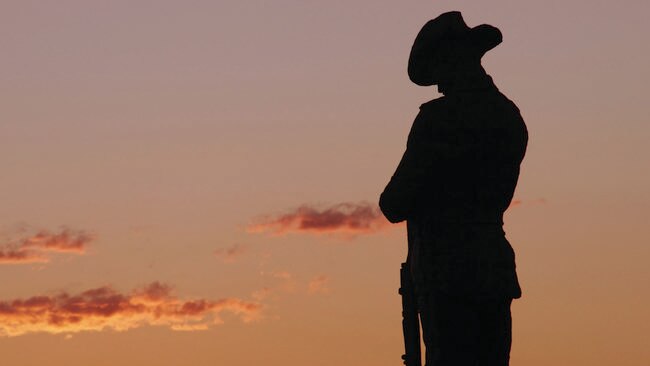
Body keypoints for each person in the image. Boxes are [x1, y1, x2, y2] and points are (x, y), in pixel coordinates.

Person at [379, 11, 528, 366]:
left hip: (446, 274)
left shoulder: (438, 120)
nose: (439, 84)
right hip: (492, 267)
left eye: (440, 71)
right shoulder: (508, 115)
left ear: (452, 62)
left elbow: (394, 202)